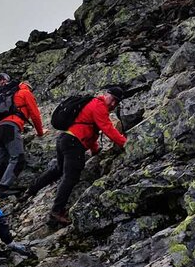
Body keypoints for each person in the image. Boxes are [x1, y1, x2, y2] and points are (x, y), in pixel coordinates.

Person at [27, 87, 128, 227]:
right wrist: (126, 143)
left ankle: (31, 189)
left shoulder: (92, 103)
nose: (113, 104)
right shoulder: (99, 106)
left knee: (58, 169)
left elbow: (91, 131)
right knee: (71, 177)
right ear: (106, 95)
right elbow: (107, 128)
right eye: (112, 100)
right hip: (74, 143)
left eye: (116, 102)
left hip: (65, 139)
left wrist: (95, 150)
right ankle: (56, 212)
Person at [0, 74, 44, 195]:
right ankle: (3, 187)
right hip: (10, 126)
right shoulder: (25, 93)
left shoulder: (7, 95)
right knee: (18, 157)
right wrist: (40, 133)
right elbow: (35, 114)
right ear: (27, 86)